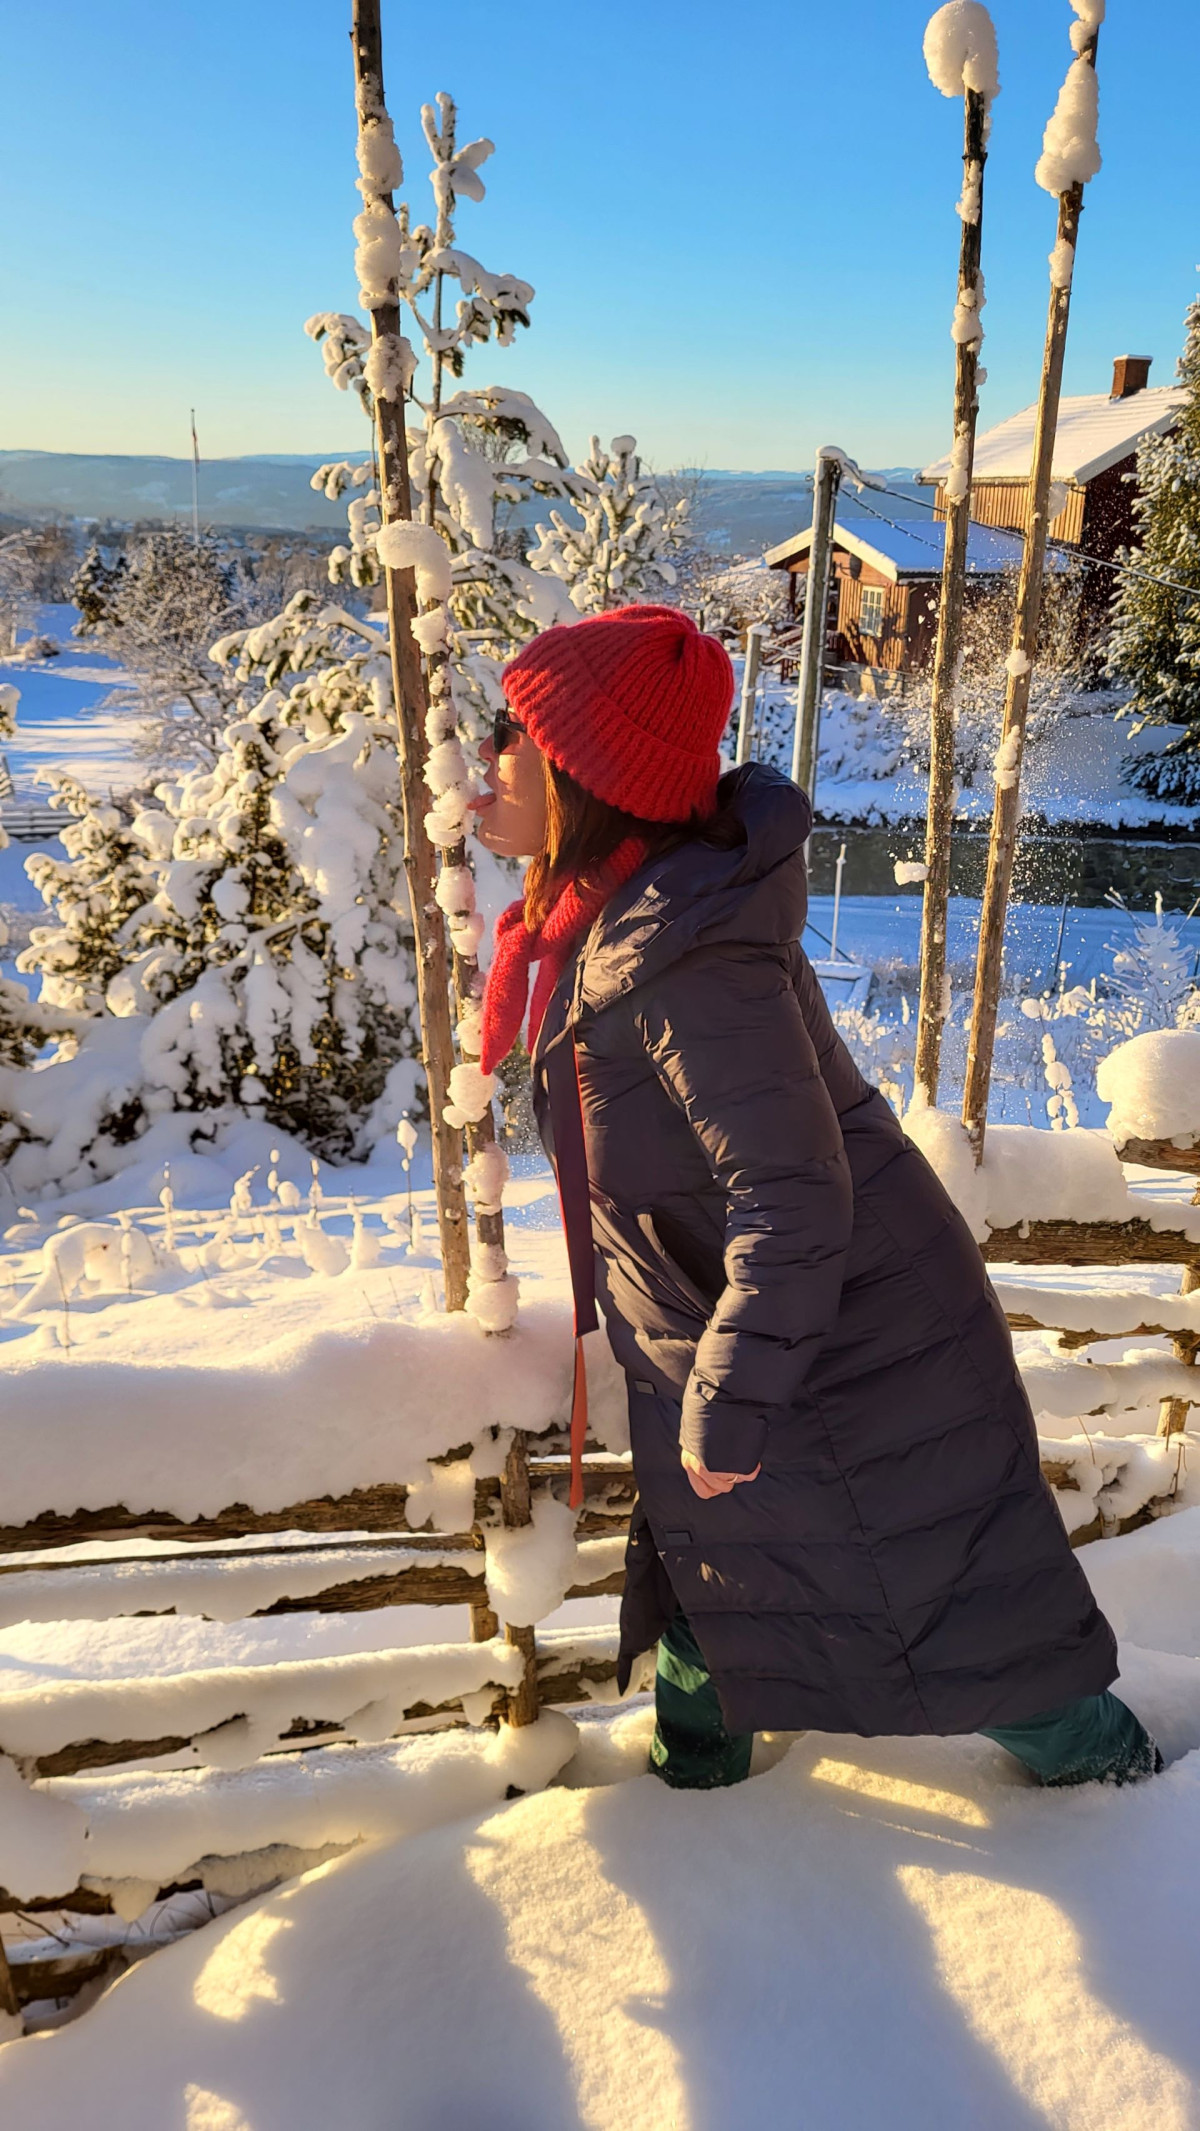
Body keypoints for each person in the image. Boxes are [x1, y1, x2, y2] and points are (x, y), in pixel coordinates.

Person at [471, 602, 1159, 1793]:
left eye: (514, 736)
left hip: (856, 1352)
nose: (487, 763)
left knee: (971, 1634)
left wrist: (732, 1395)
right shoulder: (622, 920)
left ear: (591, 776)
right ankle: (697, 1810)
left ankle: (1137, 1807)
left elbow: (790, 1193)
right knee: (720, 1584)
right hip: (771, 1338)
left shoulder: (687, 959)